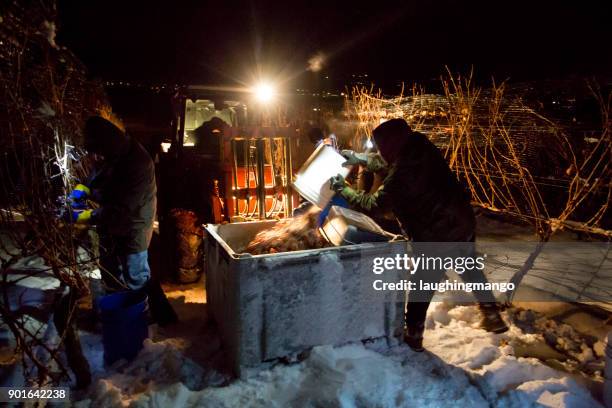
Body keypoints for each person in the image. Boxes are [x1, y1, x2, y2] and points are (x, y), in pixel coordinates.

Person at [330, 118, 508, 351]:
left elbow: (375, 204)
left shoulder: (403, 174)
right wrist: (359, 158)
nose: (380, 150)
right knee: (468, 266)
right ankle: (492, 314)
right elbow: (387, 163)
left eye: (382, 146)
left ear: (391, 144)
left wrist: (344, 189)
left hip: (436, 232)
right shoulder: (419, 147)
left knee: (422, 284)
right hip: (461, 220)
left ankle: (413, 335)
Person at [69, 116, 177, 325]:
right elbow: (92, 180)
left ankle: (145, 319)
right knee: (110, 270)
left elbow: (122, 208)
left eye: (98, 151)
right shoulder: (111, 154)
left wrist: (82, 216)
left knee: (135, 274)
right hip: (111, 222)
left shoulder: (138, 163)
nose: (96, 157)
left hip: (134, 224)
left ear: (108, 144)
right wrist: (78, 194)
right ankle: (119, 314)